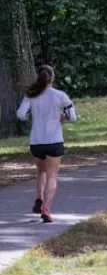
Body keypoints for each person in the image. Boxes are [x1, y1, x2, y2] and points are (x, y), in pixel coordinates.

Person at [15, 65, 77, 223]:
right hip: (54, 141)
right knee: (52, 176)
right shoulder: (60, 95)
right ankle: (46, 209)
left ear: (39, 77)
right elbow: (72, 116)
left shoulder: (32, 94)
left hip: (36, 142)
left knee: (41, 171)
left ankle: (39, 198)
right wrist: (63, 117)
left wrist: (31, 117)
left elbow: (21, 114)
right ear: (52, 77)